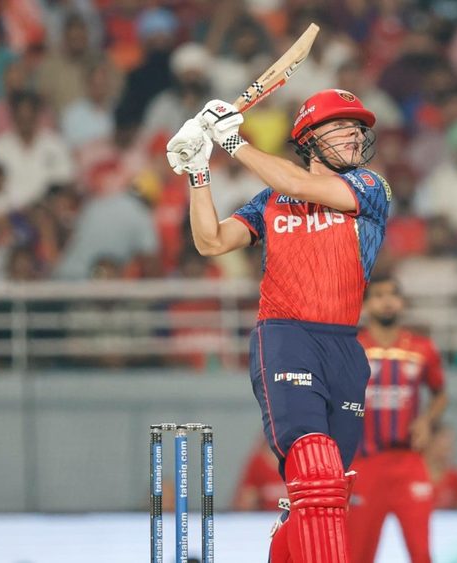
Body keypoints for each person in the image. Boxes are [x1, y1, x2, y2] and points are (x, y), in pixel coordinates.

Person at [165, 89, 391, 562]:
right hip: (286, 337)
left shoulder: (371, 187)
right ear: (309, 139)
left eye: (357, 128)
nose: (355, 135)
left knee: (326, 492)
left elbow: (301, 185)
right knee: (316, 470)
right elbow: (211, 241)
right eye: (341, 126)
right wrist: (198, 172)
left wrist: (233, 142)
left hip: (344, 348)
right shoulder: (271, 199)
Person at [347, 275, 448, 563]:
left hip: (409, 464)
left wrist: (427, 420)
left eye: (393, 295)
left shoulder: (421, 348)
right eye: (379, 296)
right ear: (366, 305)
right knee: (358, 555)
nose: (387, 301)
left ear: (402, 303)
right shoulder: (352, 348)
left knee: (421, 554)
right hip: (364, 465)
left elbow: (440, 394)